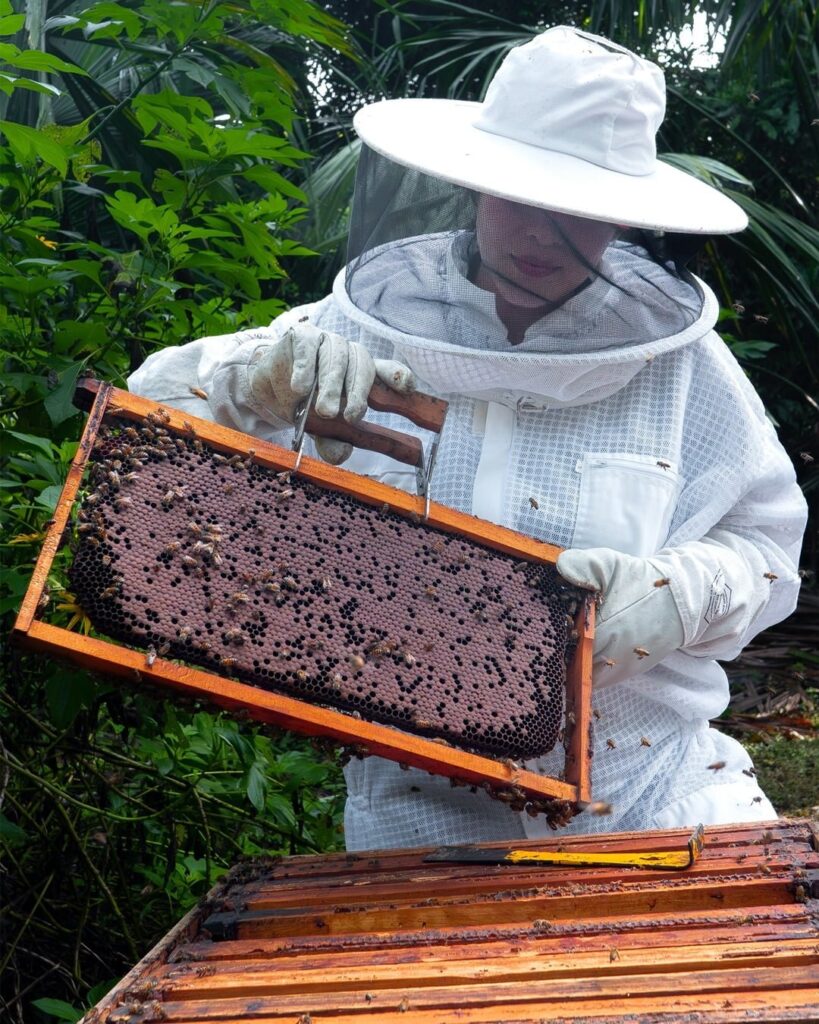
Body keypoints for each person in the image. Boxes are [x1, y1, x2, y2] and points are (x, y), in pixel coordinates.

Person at [128, 26, 807, 850]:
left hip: (657, 795)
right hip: (418, 815)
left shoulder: (682, 366)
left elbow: (766, 549)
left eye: (577, 213)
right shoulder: (355, 327)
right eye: (520, 199)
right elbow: (151, 416)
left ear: (623, 218)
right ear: (474, 187)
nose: (538, 238)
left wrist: (686, 591)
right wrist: (252, 380)